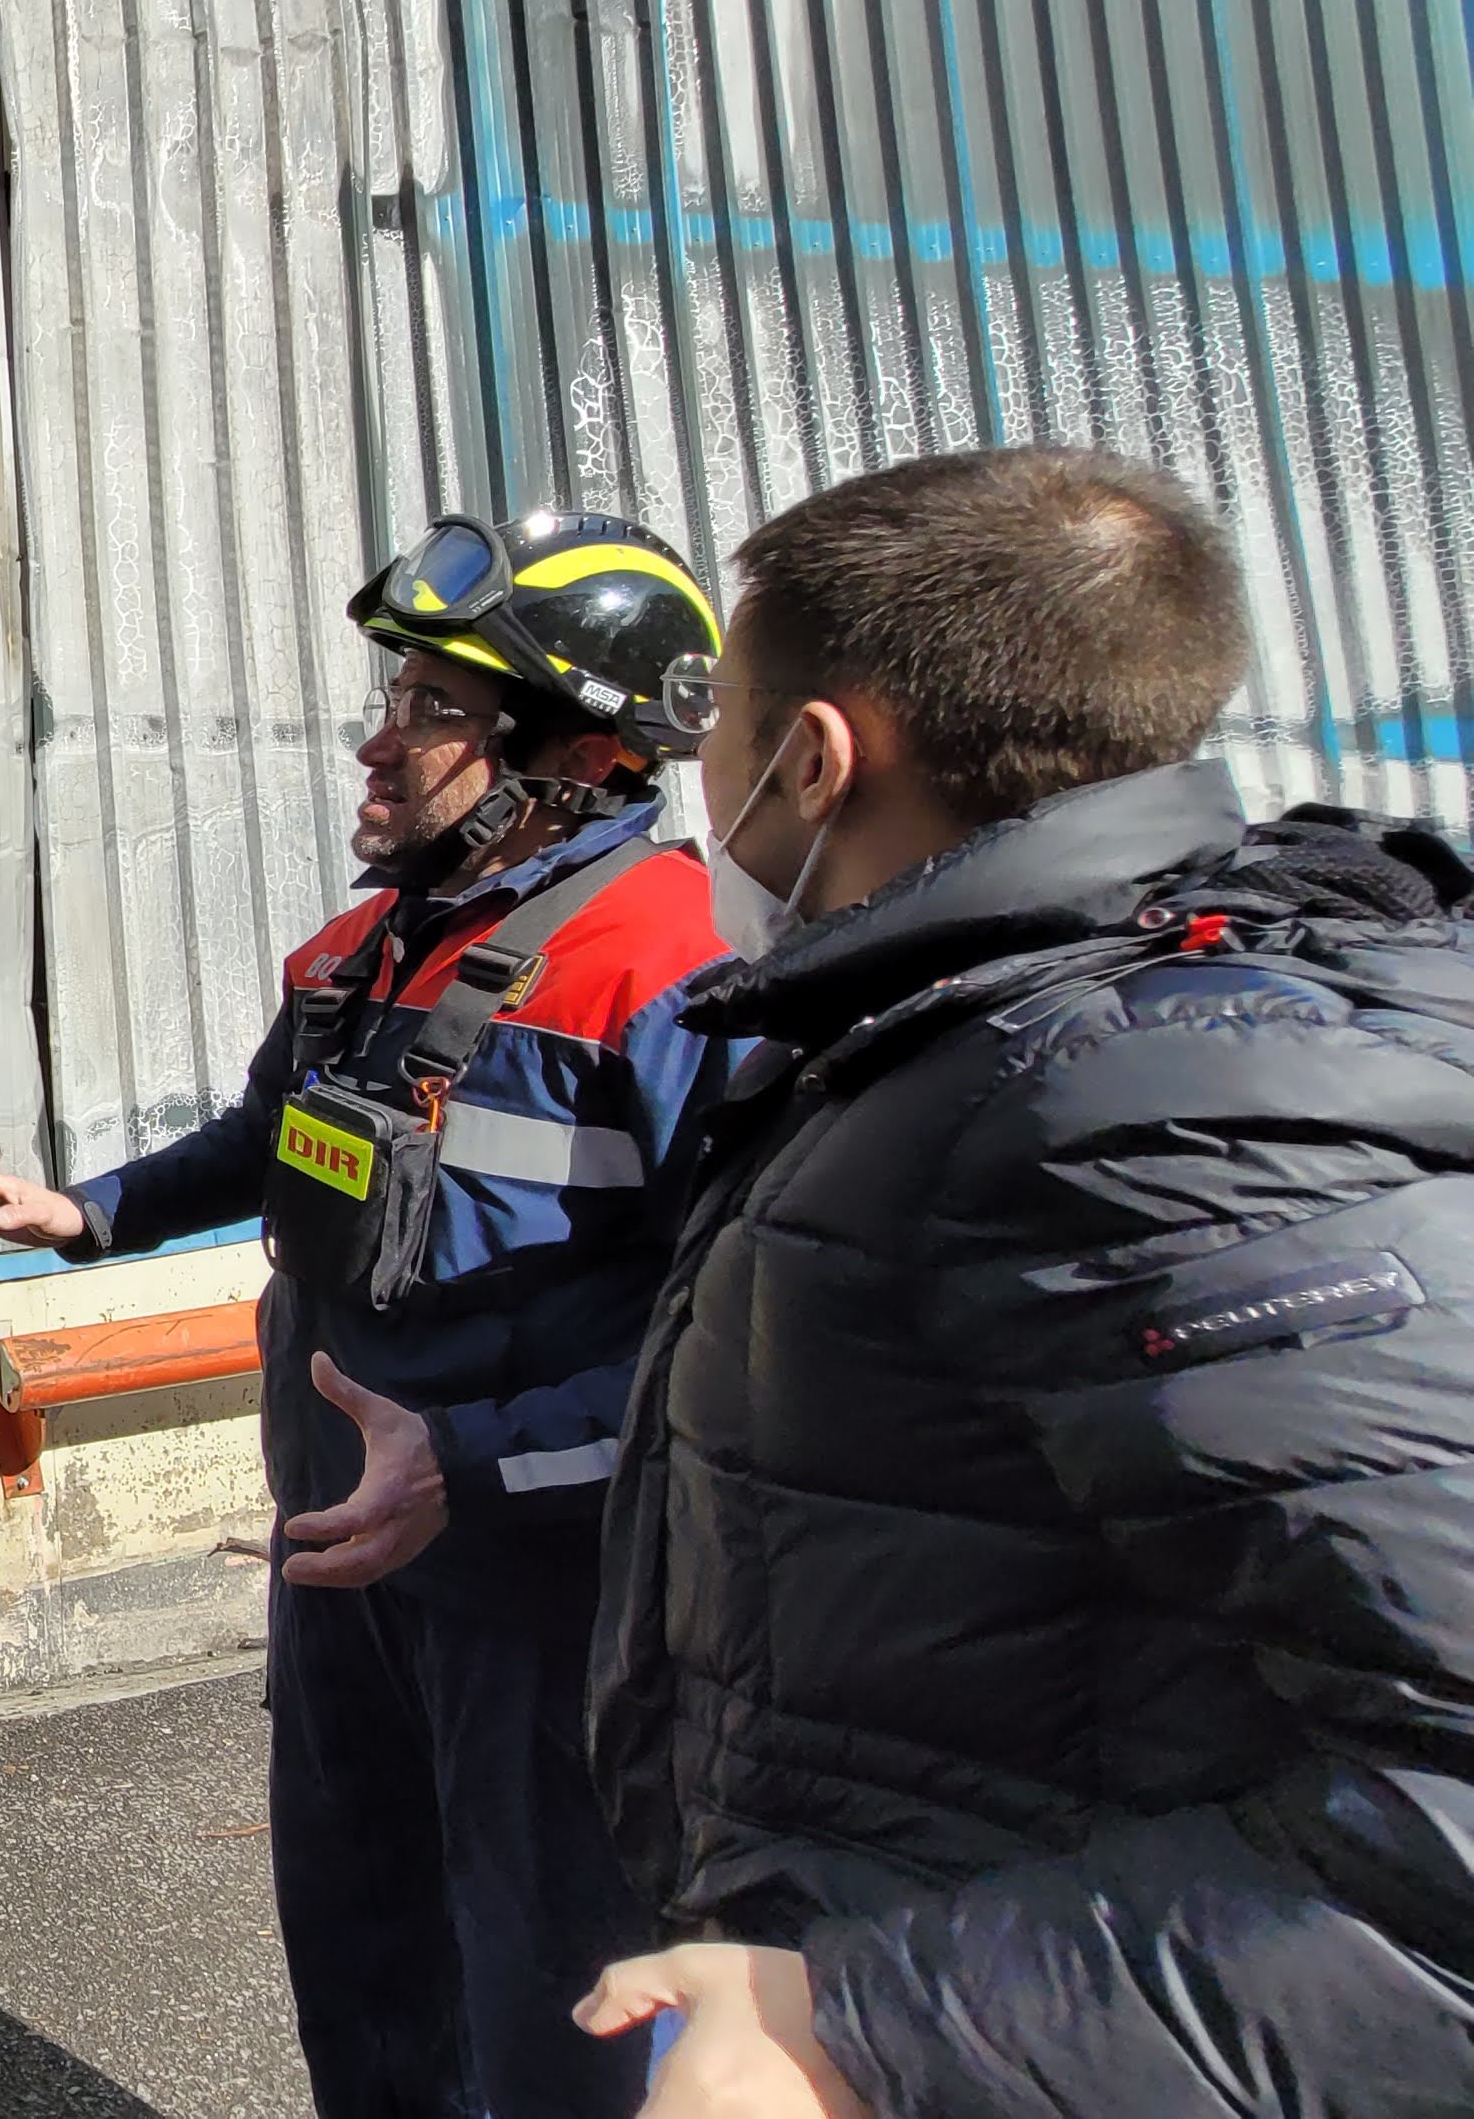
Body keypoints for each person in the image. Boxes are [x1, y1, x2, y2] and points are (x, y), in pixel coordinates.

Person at [573, 447, 1474, 2115]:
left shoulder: (1123, 1105)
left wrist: (866, 2029)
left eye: (714, 732)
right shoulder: (971, 1038)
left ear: (815, 755)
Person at [0, 511, 736, 2119]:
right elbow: (267, 1138)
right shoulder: (361, 949)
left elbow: (750, 1332)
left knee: (557, 2002)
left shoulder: (674, 964)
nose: (378, 738)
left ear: (572, 752)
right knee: (363, 1969)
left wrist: (479, 1463)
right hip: (343, 1562)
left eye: (433, 707)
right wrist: (88, 1213)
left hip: (538, 1597)